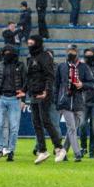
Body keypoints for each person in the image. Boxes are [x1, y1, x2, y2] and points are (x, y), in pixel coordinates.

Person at [25, 36, 64, 164]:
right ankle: (42, 151)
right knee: (36, 123)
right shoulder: (30, 59)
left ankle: (59, 148)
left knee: (46, 121)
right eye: (28, 43)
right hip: (34, 94)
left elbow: (50, 75)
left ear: (37, 43)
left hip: (44, 94)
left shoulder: (45, 56)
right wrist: (23, 91)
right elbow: (29, 77)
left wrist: (46, 91)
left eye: (31, 43)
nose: (29, 45)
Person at [55, 45, 94, 162]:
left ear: (77, 53)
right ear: (66, 52)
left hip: (79, 102)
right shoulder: (61, 67)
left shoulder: (84, 67)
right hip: (65, 101)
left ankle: (63, 152)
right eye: (69, 51)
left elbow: (92, 84)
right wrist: (56, 100)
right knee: (72, 128)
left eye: (73, 52)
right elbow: (56, 85)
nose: (71, 54)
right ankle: (77, 153)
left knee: (72, 129)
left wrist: (82, 85)